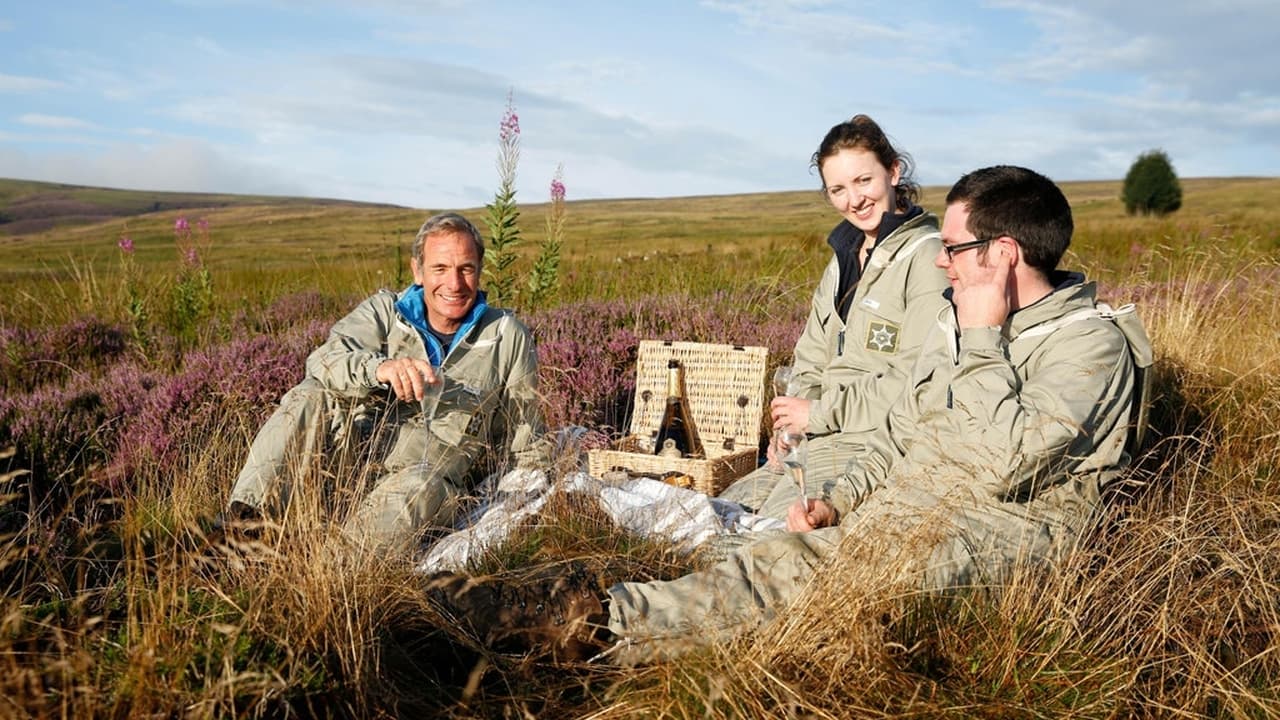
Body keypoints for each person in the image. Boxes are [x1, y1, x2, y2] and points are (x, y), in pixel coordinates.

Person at [427, 165, 1149, 664]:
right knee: (757, 551)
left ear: (1004, 253)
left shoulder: (1091, 347)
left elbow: (1000, 463)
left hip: (997, 538)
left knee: (790, 579)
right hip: (911, 506)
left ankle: (587, 628)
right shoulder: (967, 329)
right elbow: (904, 430)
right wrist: (841, 498)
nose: (940, 264)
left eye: (955, 249)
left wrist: (986, 334)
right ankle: (543, 601)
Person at [216, 212, 546, 555]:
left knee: (420, 485)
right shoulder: (385, 312)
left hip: (423, 485)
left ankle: (326, 576)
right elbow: (323, 360)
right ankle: (240, 533)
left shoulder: (507, 337)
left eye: (466, 268)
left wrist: (529, 497)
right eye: (440, 269)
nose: (454, 284)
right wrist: (380, 368)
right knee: (309, 395)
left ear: (479, 270)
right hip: (346, 467)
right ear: (417, 270)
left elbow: (525, 440)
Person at [717, 114, 950, 520]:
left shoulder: (927, 258)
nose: (854, 200)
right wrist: (790, 429)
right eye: (837, 189)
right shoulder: (843, 257)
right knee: (715, 514)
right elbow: (811, 355)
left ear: (893, 172)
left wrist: (819, 415)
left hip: (869, 442)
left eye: (864, 181)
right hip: (815, 437)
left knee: (770, 531)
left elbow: (919, 381)